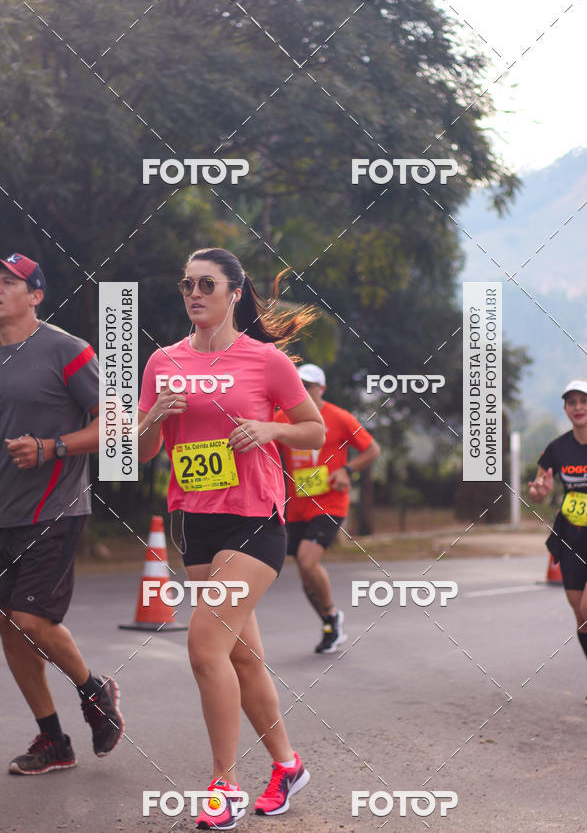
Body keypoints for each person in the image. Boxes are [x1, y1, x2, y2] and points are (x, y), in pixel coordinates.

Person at [137, 247, 325, 830]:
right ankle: (288, 765)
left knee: (204, 648)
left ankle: (224, 785)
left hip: (253, 517)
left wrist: (269, 426)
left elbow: (314, 433)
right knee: (242, 657)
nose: (194, 293)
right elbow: (140, 456)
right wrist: (151, 421)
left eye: (207, 284)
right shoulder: (161, 362)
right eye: (187, 284)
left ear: (234, 293)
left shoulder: (265, 360)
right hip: (193, 519)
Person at [0, 253, 123, 775]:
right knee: (9, 626)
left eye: (8, 282)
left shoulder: (66, 350)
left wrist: (51, 447)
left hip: (54, 507)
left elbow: (114, 422)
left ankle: (95, 691)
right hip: (3, 512)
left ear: (36, 295)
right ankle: (54, 740)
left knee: (31, 618)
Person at [275, 364, 380, 654]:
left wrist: (347, 469)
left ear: (321, 389)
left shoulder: (339, 417)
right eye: (298, 385)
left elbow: (372, 450)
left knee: (309, 562)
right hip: (296, 506)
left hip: (330, 502)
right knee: (305, 574)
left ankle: (332, 614)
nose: (303, 390)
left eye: (309, 386)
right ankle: (330, 621)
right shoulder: (282, 418)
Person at [529, 379, 587, 706]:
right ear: (566, 410)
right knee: (583, 619)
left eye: (584, 401)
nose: (578, 407)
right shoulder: (557, 448)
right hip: (572, 536)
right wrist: (538, 492)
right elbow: (540, 486)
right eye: (571, 402)